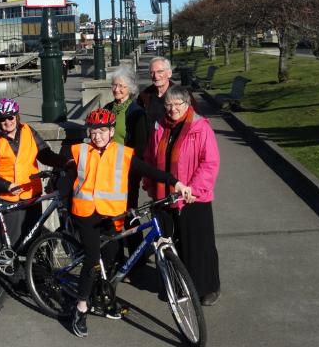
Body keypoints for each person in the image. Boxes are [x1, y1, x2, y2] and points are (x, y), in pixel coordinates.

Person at [68, 109, 193, 338]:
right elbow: (65, 173)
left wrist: (175, 183)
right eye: (93, 130)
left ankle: (103, 297)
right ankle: (81, 307)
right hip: (86, 213)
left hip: (112, 215)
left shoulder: (123, 154)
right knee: (93, 259)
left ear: (111, 131)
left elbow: (149, 170)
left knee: (113, 255)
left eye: (102, 130)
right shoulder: (80, 150)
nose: (97, 135)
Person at [143, 85, 222, 306]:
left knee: (199, 245)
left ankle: (208, 287)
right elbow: (149, 158)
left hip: (192, 198)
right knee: (169, 244)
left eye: (177, 104)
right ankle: (176, 284)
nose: (172, 109)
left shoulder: (200, 127)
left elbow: (210, 162)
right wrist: (150, 184)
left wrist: (194, 189)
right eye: (168, 104)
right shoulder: (159, 127)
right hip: (163, 197)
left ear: (187, 104)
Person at [0, 98, 71, 248]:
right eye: (2, 119)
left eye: (10, 117)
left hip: (32, 195)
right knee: (14, 244)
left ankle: (33, 270)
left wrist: (66, 162)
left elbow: (45, 154)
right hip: (9, 198)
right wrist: (7, 185)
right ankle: (12, 270)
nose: (7, 122)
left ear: (17, 116)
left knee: (32, 239)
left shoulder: (28, 131)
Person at [104, 66, 148, 268]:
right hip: (108, 171)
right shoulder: (106, 108)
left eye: (122, 86)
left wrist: (129, 168)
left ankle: (137, 255)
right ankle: (117, 257)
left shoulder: (136, 112)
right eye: (115, 85)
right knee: (110, 214)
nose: (117, 89)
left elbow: (140, 146)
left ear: (130, 88)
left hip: (127, 171)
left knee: (129, 213)